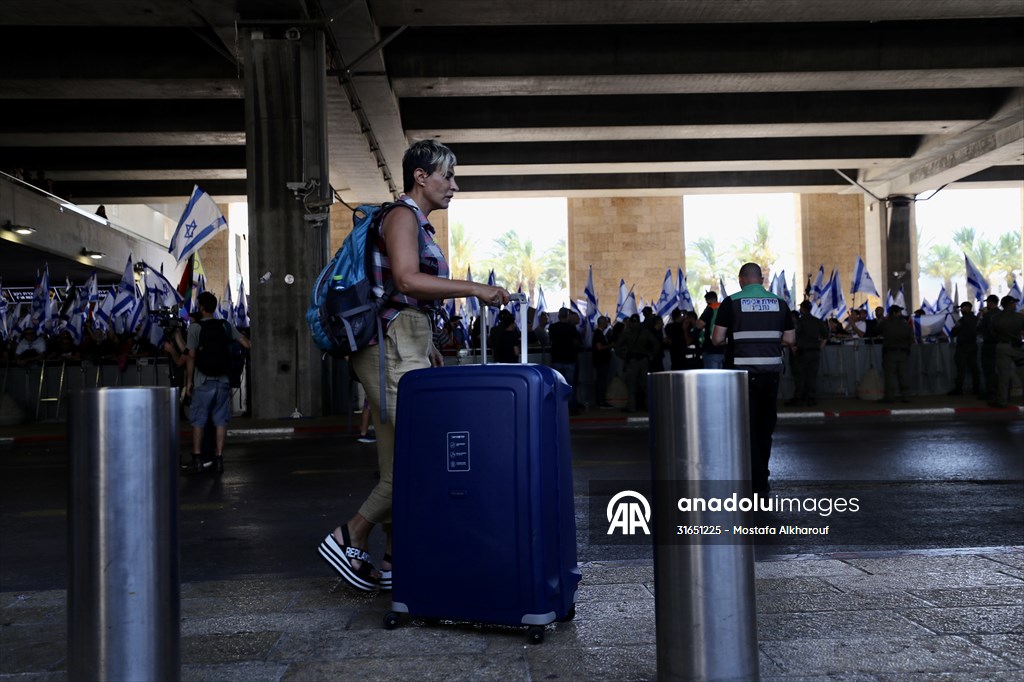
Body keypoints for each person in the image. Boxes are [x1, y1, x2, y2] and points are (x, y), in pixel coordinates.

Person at [319, 140, 509, 593]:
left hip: (406, 340)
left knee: (399, 461)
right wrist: (474, 289)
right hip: (391, 342)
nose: (454, 186)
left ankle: (393, 560)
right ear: (420, 177)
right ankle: (351, 533)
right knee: (422, 456)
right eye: (447, 176)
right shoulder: (402, 216)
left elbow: (407, 294)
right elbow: (406, 279)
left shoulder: (416, 223)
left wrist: (427, 344)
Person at [711, 262, 795, 495]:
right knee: (765, 428)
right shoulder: (779, 303)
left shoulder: (731, 302)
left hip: (740, 377)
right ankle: (762, 476)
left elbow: (717, 339)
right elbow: (789, 339)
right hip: (770, 376)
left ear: (741, 280)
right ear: (761, 280)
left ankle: (750, 477)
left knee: (744, 428)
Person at [183, 291, 250, 473]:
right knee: (220, 420)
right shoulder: (225, 326)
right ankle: (219, 458)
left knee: (199, 420)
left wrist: (188, 383)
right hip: (223, 380)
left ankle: (197, 460)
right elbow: (246, 343)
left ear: (202, 308)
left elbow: (191, 356)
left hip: (202, 381)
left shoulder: (195, 328)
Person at [615, 313, 660, 413]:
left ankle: (632, 407)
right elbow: (656, 344)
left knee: (631, 385)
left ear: (631, 322)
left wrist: (623, 356)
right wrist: (651, 355)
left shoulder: (626, 333)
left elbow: (617, 346)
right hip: (644, 360)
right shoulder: (646, 332)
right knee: (646, 385)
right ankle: (649, 406)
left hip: (632, 361)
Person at [787, 300, 828, 406]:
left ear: (802, 309)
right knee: (812, 376)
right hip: (814, 352)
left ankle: (799, 399)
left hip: (801, 352)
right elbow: (826, 336)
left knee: (800, 376)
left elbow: (793, 337)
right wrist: (819, 347)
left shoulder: (799, 322)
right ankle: (811, 399)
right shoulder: (817, 321)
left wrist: (793, 347)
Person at [988, 295, 1024, 408]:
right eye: (1014, 303)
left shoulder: (995, 318)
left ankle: (1002, 401)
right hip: (1018, 348)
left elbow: (992, 333)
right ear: (1011, 304)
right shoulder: (1020, 317)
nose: (1015, 305)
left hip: (1002, 347)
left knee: (1003, 376)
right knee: (1022, 374)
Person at [548, 307, 582, 414]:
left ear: (558, 316)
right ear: (567, 316)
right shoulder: (571, 328)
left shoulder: (553, 327)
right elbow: (577, 342)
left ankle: (558, 408)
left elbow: (551, 340)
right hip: (570, 359)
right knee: (570, 385)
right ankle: (572, 408)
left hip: (556, 359)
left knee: (557, 385)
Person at [877, 304, 913, 403]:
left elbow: (877, 330)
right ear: (895, 312)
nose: (900, 313)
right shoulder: (905, 324)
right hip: (903, 353)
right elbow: (911, 338)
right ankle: (906, 396)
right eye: (899, 311)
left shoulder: (886, 323)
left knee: (889, 376)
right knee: (903, 375)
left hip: (889, 353)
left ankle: (889, 397)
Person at [948, 301, 980, 395]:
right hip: (973, 346)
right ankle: (976, 389)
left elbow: (953, 332)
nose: (961, 310)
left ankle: (959, 389)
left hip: (963, 347)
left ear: (966, 308)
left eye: (962, 308)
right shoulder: (976, 319)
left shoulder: (962, 320)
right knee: (974, 369)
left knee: (961, 368)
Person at [976, 294, 1000, 400]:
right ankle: (1001, 392)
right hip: (1000, 344)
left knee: (988, 369)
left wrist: (982, 315)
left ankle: (990, 392)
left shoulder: (987, 315)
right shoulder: (1001, 314)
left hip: (989, 345)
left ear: (990, 303)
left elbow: (978, 327)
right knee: (1001, 370)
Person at [592, 316, 614, 408]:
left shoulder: (600, 333)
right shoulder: (598, 334)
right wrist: (610, 346)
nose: (607, 324)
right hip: (601, 362)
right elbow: (599, 347)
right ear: (602, 323)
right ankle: (601, 401)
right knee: (601, 382)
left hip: (602, 361)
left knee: (601, 381)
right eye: (605, 322)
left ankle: (600, 400)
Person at [699, 291, 725, 369]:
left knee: (712, 377)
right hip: (724, 347)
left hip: (711, 348)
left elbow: (699, 325)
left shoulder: (710, 309)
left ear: (707, 300)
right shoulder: (723, 308)